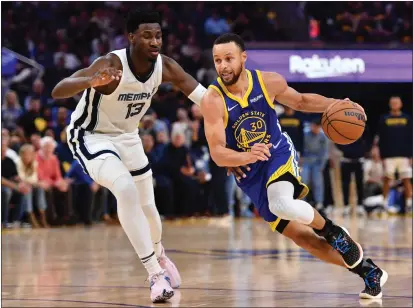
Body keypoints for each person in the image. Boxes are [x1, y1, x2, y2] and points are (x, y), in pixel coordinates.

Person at [200, 33, 387, 300]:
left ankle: (331, 229)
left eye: (229, 58)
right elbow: (218, 153)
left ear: (243, 57)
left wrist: (334, 104)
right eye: (218, 60)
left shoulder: (266, 81)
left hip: (278, 154)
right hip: (251, 174)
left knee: (281, 204)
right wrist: (244, 157)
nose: (223, 66)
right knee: (305, 240)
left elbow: (300, 101)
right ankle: (370, 272)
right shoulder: (213, 99)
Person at [51, 9, 209, 303]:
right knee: (124, 188)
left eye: (158, 36)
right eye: (147, 35)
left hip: (128, 137)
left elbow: (204, 97)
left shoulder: (165, 67)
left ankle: (160, 256)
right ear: (131, 37)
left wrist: (235, 109)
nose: (154, 41)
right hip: (91, 135)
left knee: (148, 205)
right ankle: (153, 275)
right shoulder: (111, 64)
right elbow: (58, 90)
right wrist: (90, 81)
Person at [374, 96, 412, 213]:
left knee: (406, 179)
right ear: (390, 105)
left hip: (404, 155)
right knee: (387, 179)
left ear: (401, 104)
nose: (395, 104)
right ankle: (384, 204)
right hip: (388, 155)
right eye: (393, 103)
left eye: (397, 103)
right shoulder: (384, 118)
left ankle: (409, 204)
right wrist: (377, 152)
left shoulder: (407, 118)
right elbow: (378, 138)